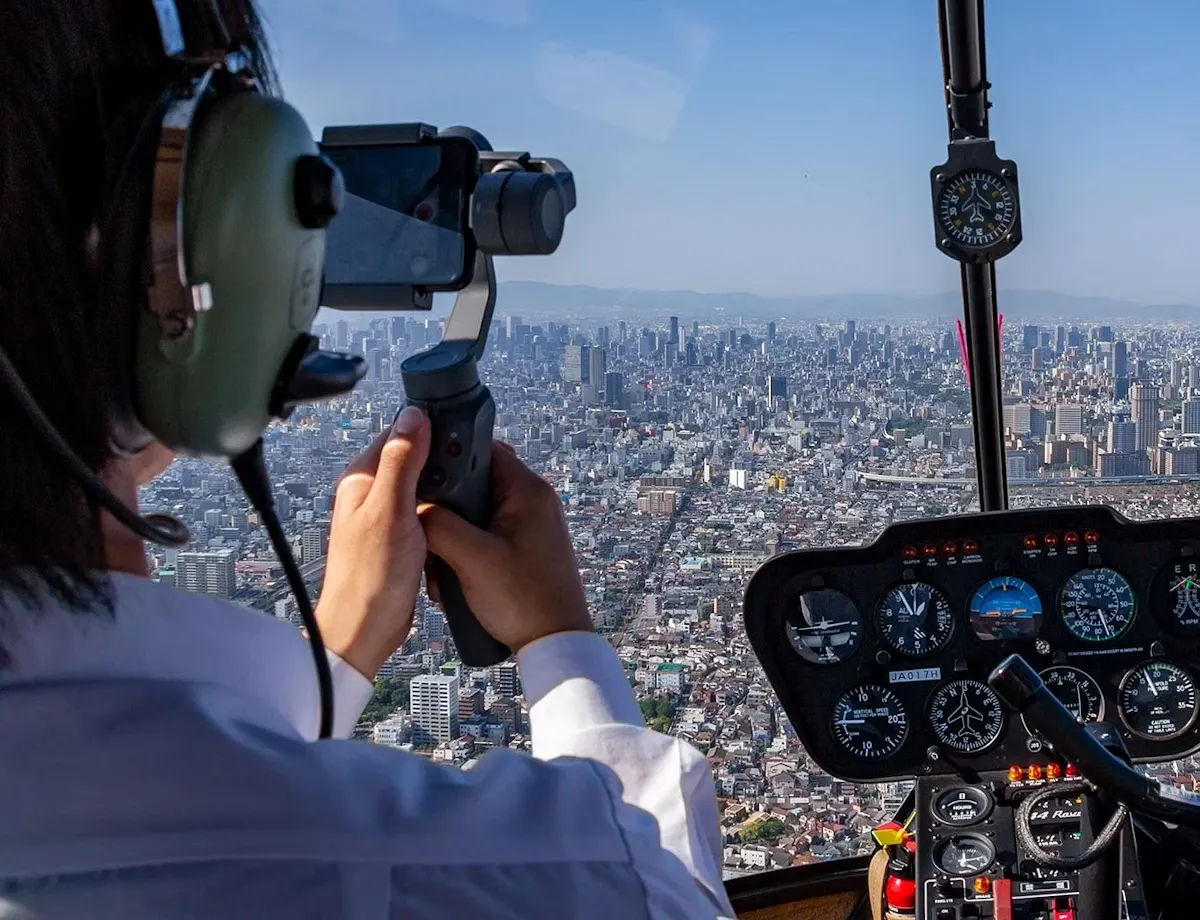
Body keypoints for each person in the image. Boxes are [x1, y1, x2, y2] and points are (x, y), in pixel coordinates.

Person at [0, 2, 735, 918]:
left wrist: (337, 652)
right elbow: (660, 892)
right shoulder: (508, 875)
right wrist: (564, 642)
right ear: (192, 255)